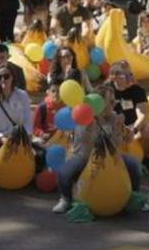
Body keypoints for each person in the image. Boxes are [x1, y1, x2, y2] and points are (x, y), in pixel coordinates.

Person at [52, 85, 143, 213]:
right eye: (110, 100)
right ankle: (65, 199)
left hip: (108, 159)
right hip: (84, 157)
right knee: (65, 172)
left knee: (133, 164)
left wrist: (117, 129)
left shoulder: (113, 117)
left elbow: (115, 146)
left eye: (114, 100)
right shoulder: (84, 116)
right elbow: (88, 143)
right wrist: (93, 123)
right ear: (99, 102)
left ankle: (134, 196)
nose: (114, 103)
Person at [0, 67, 34, 159]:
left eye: (6, 76)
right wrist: (1, 138)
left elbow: (27, 120)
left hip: (20, 138)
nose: (2, 80)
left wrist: (25, 138)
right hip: (0, 140)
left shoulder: (22, 95)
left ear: (12, 77)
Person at [108, 61, 149, 155]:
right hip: (115, 125)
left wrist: (133, 130)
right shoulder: (107, 90)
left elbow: (142, 115)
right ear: (114, 77)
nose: (130, 78)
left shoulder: (138, 90)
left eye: (130, 74)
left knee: (147, 130)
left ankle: (148, 156)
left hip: (133, 125)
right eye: (125, 75)